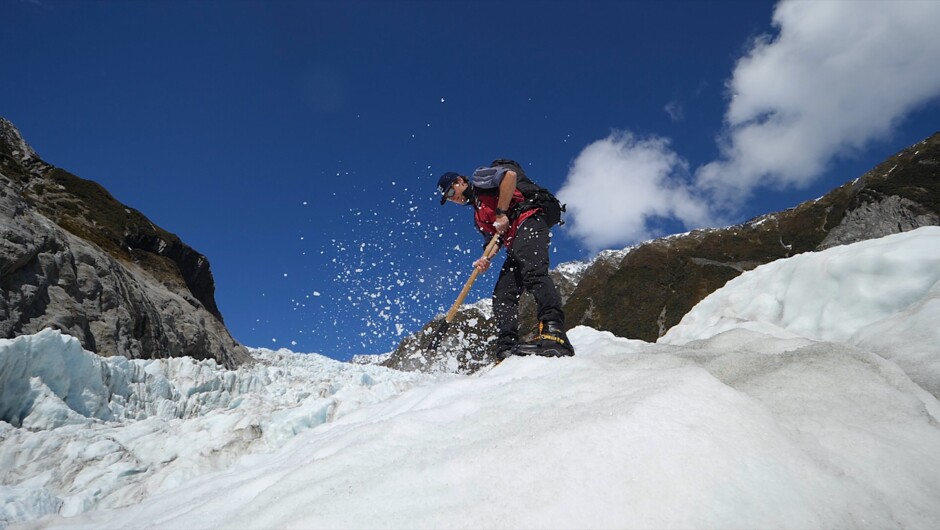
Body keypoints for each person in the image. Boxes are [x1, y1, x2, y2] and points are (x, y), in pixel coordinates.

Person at [437, 164, 574, 360]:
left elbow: (508, 177)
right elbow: (493, 242)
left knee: (534, 273)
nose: (453, 198)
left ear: (460, 181)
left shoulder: (479, 179)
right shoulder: (478, 215)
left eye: (451, 191)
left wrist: (501, 213)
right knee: (503, 293)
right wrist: (485, 259)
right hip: (513, 242)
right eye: (448, 198)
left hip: (529, 221)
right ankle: (507, 344)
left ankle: (554, 331)